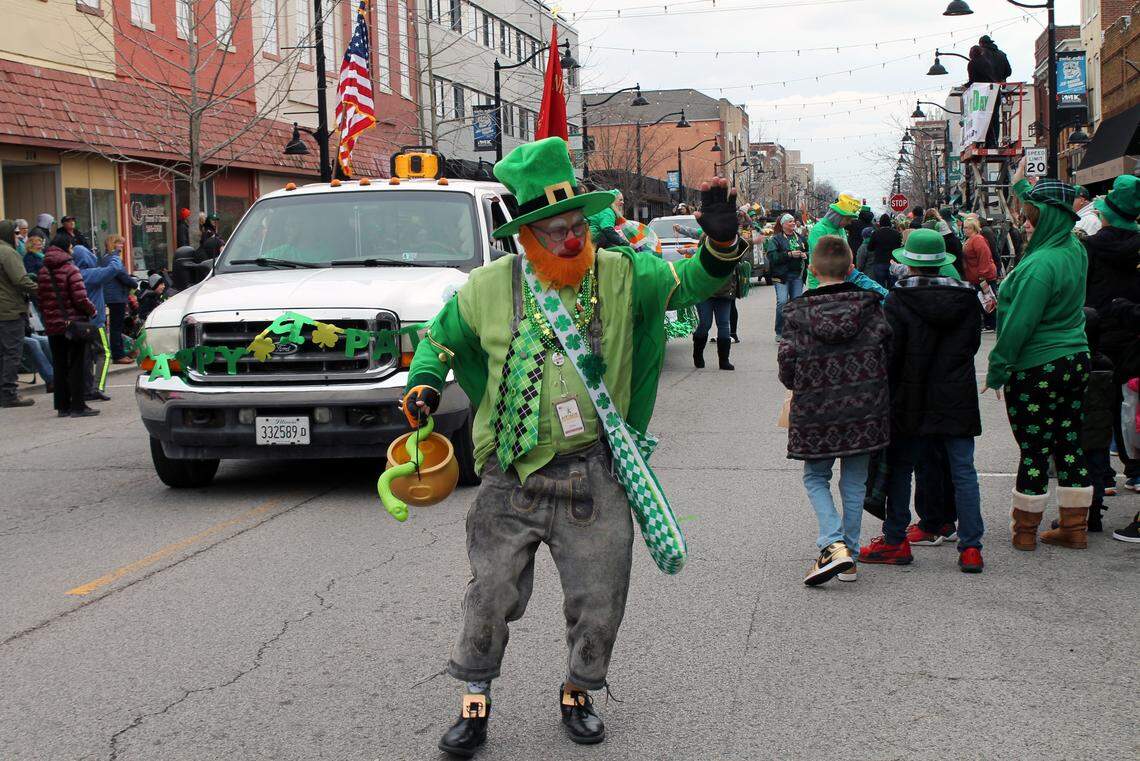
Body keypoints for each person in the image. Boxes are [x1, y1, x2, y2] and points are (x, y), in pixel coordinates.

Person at [399, 138, 746, 757]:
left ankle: (579, 694)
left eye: (577, 226)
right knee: (490, 594)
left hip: (594, 472)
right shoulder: (485, 287)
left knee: (600, 597)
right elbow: (440, 341)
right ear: (528, 234)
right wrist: (424, 385)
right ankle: (474, 704)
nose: (570, 240)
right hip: (510, 476)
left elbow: (692, 284)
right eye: (555, 229)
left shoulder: (622, 274)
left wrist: (721, 244)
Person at [859, 229, 986, 573]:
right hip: (956, 394)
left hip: (910, 395)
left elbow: (890, 353)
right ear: (943, 263)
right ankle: (971, 547)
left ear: (909, 263)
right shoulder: (968, 298)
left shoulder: (898, 300)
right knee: (963, 472)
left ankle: (895, 539)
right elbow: (972, 346)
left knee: (901, 470)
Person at [984, 160, 1093, 550]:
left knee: (1034, 448)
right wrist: (1021, 187)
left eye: (1031, 218)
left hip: (1036, 363)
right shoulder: (1073, 249)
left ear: (1047, 218)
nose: (1025, 223)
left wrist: (998, 368)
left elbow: (1019, 325)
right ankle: (1074, 527)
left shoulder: (1039, 266)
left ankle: (1025, 531)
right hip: (1075, 357)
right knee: (1068, 440)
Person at [778, 235, 891, 585]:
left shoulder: (797, 313)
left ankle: (833, 541)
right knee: (855, 481)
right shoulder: (872, 308)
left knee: (815, 477)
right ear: (851, 268)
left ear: (811, 270)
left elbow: (787, 364)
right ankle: (850, 557)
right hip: (864, 406)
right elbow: (887, 353)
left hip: (816, 408)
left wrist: (794, 383)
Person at [1083, 175, 1140, 494]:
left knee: (1099, 404)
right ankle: (1136, 468)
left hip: (1099, 332)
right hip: (1133, 333)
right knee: (1133, 402)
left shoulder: (1090, 248)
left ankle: (1101, 473)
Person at [37, 236, 98, 417]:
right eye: (71, 246)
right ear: (65, 248)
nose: (72, 250)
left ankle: (62, 406)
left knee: (60, 365)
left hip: (52, 324)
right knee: (77, 365)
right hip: (73, 324)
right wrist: (92, 310)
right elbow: (80, 298)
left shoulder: (43, 271)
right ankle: (78, 406)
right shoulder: (71, 270)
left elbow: (41, 299)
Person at [806, 193, 888, 296]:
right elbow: (823, 260)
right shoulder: (819, 230)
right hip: (820, 283)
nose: (849, 223)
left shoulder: (841, 230)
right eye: (847, 219)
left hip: (841, 279)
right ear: (838, 216)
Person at [72, 240, 121, 402]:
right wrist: (114, 255)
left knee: (85, 357)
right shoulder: (90, 273)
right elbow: (114, 269)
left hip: (82, 322)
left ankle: (86, 388)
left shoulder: (74, 273)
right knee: (104, 354)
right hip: (96, 321)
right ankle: (97, 387)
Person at [0, 220, 39, 408]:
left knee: (3, 353)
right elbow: (21, 280)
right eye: (16, 234)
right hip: (9, 311)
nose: (19, 237)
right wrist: (43, 290)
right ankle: (9, 393)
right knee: (11, 353)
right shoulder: (7, 252)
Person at [766, 212, 807, 338]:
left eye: (793, 221)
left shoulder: (800, 238)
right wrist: (789, 254)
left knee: (796, 304)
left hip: (797, 276)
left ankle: (795, 331)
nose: (793, 223)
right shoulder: (776, 239)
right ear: (783, 224)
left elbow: (807, 251)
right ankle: (780, 331)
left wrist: (806, 256)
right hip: (781, 276)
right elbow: (772, 256)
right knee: (782, 302)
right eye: (790, 221)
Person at [101, 235, 136, 365]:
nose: (122, 246)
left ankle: (118, 352)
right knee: (117, 326)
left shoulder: (105, 258)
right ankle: (118, 354)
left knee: (115, 326)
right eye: (120, 244)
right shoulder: (113, 258)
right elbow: (122, 275)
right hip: (116, 296)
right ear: (113, 244)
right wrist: (134, 284)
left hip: (110, 294)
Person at [867, 212, 903, 288]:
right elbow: (899, 247)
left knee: (880, 286)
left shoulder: (876, 233)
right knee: (893, 286)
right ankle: (892, 298)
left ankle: (882, 299)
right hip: (893, 262)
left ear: (880, 223)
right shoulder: (896, 233)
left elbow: (870, 248)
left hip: (879, 262)